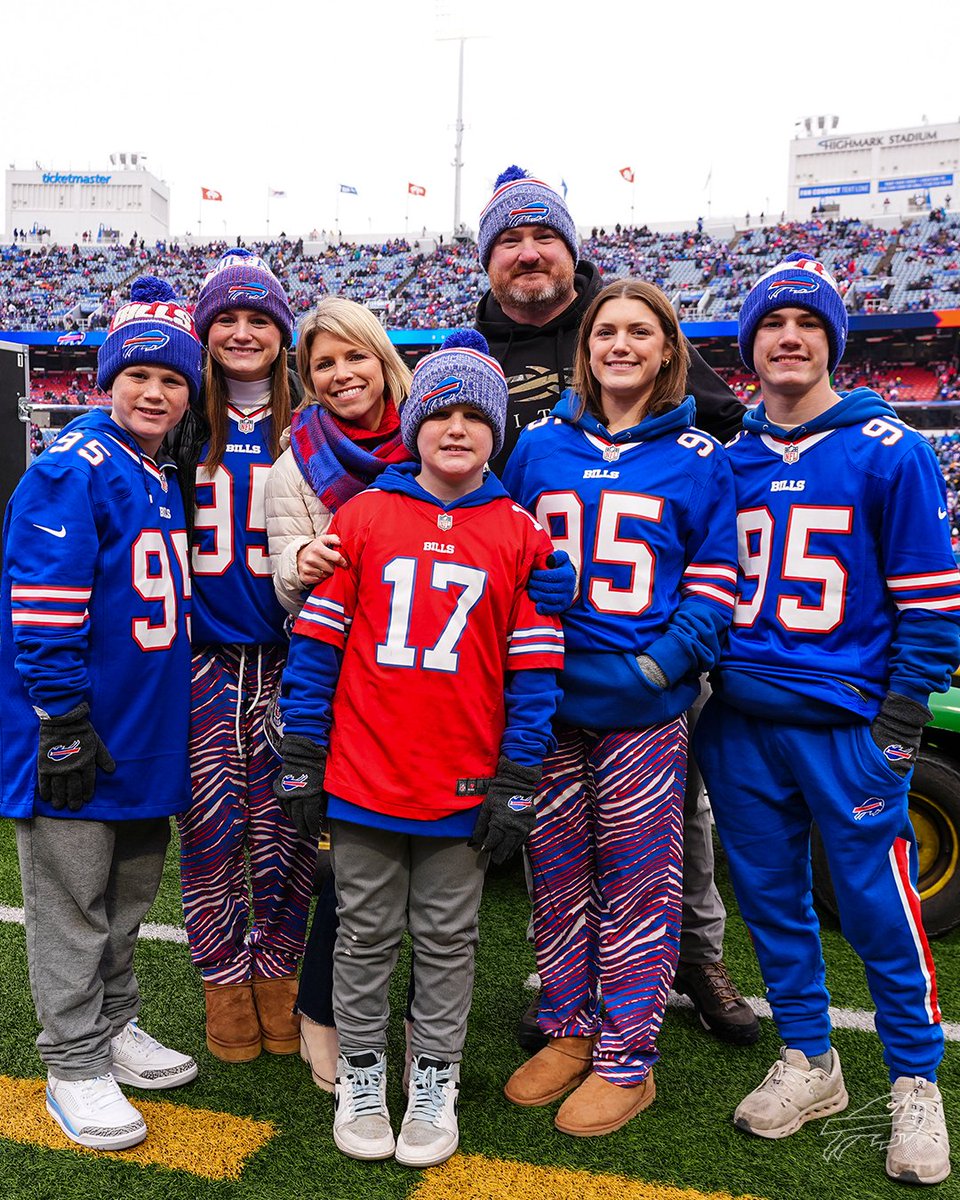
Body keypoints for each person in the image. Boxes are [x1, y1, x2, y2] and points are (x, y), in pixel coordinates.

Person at [476, 165, 758, 1048]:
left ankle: (691, 962)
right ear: (489, 261)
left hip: (646, 663)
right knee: (553, 847)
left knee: (676, 831)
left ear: (572, 251)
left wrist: (667, 656)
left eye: (543, 238)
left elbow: (719, 481)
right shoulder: (472, 347)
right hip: (549, 667)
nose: (528, 254)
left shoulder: (636, 334)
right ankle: (566, 1004)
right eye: (510, 241)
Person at [694, 252, 960, 1186]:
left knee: (880, 912)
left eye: (808, 324)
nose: (790, 337)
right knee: (771, 905)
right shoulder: (725, 463)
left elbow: (931, 604)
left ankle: (916, 1083)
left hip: (845, 726)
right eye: (773, 324)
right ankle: (811, 1058)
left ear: (834, 346)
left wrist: (899, 724)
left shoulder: (893, 450)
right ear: (750, 348)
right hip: (739, 722)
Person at [265, 299, 577, 1092]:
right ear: (416, 426)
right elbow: (316, 645)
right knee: (363, 927)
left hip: (460, 773)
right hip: (367, 767)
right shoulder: (362, 513)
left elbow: (534, 674)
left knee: (447, 933)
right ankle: (357, 1060)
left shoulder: (518, 530)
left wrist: (518, 778)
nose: (458, 428)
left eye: (479, 414)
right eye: (442, 412)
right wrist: (303, 747)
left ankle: (433, 1073)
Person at [501, 279, 738, 1136]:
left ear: (669, 349)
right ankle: (569, 1028)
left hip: (642, 705)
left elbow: (717, 579)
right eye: (607, 331)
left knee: (639, 880)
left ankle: (627, 1057)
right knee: (557, 876)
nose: (621, 344)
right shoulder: (538, 448)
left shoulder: (701, 457)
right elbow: (511, 555)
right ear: (585, 347)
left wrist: (659, 662)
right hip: (551, 699)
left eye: (641, 331)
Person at [0, 276, 201, 1151]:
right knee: (72, 903)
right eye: (139, 376)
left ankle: (114, 1024)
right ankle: (73, 1061)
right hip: (81, 732)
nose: (155, 392)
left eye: (173, 381)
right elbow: (42, 605)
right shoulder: (70, 466)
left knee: (124, 900)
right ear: (104, 379)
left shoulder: (148, 470)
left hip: (143, 733)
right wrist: (63, 719)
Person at [168, 248, 316, 1063]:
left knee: (289, 833)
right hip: (206, 658)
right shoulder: (182, 421)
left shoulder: (314, 422)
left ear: (283, 332)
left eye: (260, 317)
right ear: (205, 330)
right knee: (212, 834)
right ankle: (223, 981)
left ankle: (279, 978)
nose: (243, 331)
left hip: (291, 659)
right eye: (226, 317)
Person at [264, 296, 413, 1091]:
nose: (341, 373)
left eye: (354, 355)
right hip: (348, 692)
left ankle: (421, 1024)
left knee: (436, 878)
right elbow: (284, 574)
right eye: (323, 363)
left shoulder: (439, 434)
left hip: (433, 691)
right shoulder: (296, 460)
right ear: (308, 378)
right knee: (348, 872)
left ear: (382, 358)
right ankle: (322, 1013)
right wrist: (306, 564)